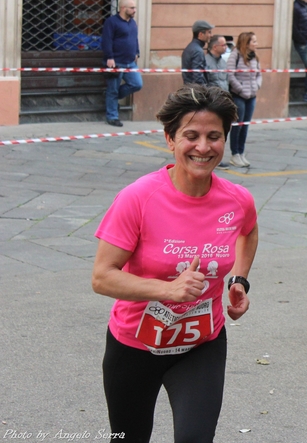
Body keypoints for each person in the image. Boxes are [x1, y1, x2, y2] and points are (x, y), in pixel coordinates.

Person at [91, 85, 259, 443]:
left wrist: (239, 281)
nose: (203, 147)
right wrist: (168, 289)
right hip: (135, 345)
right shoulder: (138, 198)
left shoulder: (237, 199)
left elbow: (249, 231)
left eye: (214, 136)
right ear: (170, 139)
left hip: (201, 343)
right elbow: (102, 278)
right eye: (191, 136)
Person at [101, 0, 143, 127]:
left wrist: (137, 52)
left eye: (135, 8)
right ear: (123, 8)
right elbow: (106, 40)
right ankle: (112, 116)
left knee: (137, 84)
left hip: (130, 62)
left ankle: (110, 98)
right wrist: (110, 57)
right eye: (132, 8)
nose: (134, 10)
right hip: (116, 62)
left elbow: (134, 39)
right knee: (113, 90)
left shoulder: (132, 23)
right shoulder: (111, 22)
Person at [226, 32, 262, 168]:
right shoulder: (235, 55)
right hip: (239, 96)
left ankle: (241, 152)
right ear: (246, 43)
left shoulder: (255, 57)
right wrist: (240, 89)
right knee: (237, 125)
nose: (256, 44)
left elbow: (259, 74)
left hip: (251, 96)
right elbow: (230, 74)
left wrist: (257, 85)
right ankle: (234, 154)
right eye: (254, 41)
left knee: (245, 125)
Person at [206, 35, 231, 168]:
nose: (226, 47)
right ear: (215, 47)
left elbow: (226, 80)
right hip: (211, 103)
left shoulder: (222, 62)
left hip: (223, 101)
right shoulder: (206, 61)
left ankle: (217, 157)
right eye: (223, 45)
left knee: (220, 131)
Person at [182, 20, 214, 85]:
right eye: (209, 32)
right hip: (196, 91)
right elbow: (198, 77)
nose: (211, 35)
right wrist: (204, 92)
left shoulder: (190, 47)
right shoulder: (197, 51)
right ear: (200, 34)